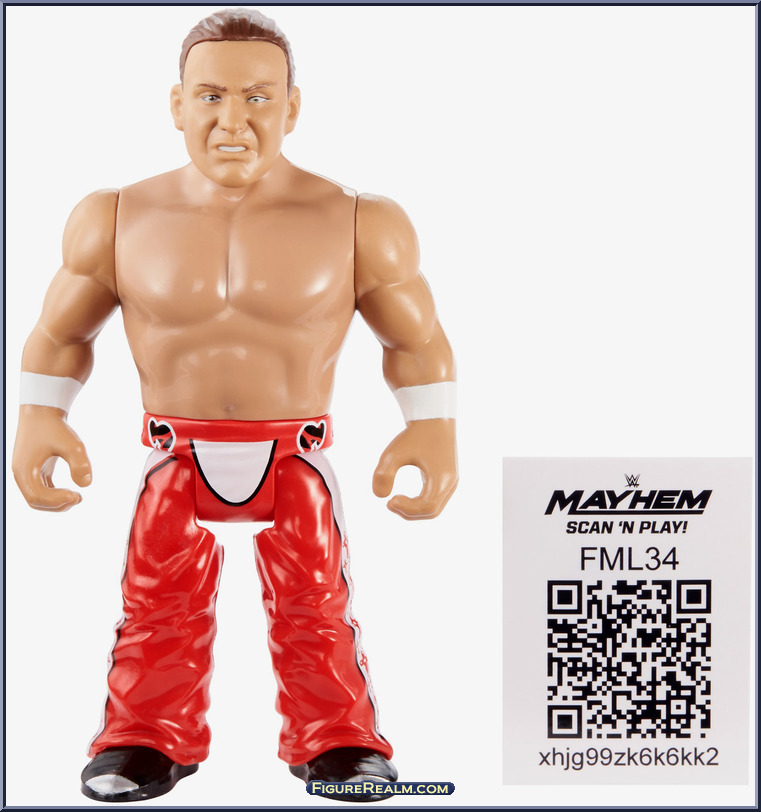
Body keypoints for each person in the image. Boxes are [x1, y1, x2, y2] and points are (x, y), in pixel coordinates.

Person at [12, 7, 457, 804]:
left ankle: (338, 740)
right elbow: (59, 332)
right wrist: (42, 414)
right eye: (211, 96)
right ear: (176, 104)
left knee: (314, 601)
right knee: (157, 602)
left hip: (295, 452)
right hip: (174, 452)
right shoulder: (115, 217)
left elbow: (415, 337)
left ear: (292, 107)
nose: (232, 122)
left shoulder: (359, 221)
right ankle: (144, 737)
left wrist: (430, 427)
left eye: (257, 99)